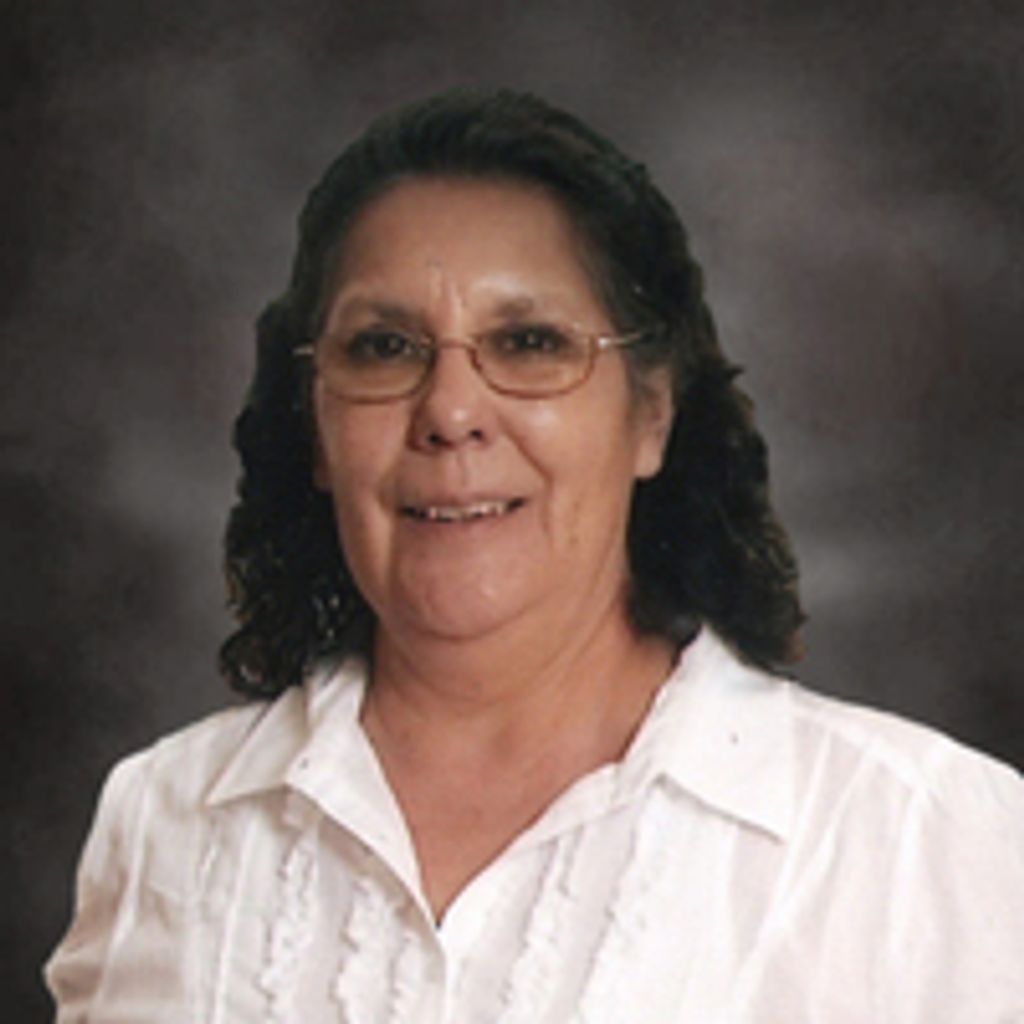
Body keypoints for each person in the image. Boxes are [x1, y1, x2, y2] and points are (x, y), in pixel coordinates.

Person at [46, 88, 1023, 1022]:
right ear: (314, 425)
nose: (450, 411)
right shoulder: (165, 820)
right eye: (385, 347)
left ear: (651, 414)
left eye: (528, 341)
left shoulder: (924, 838)